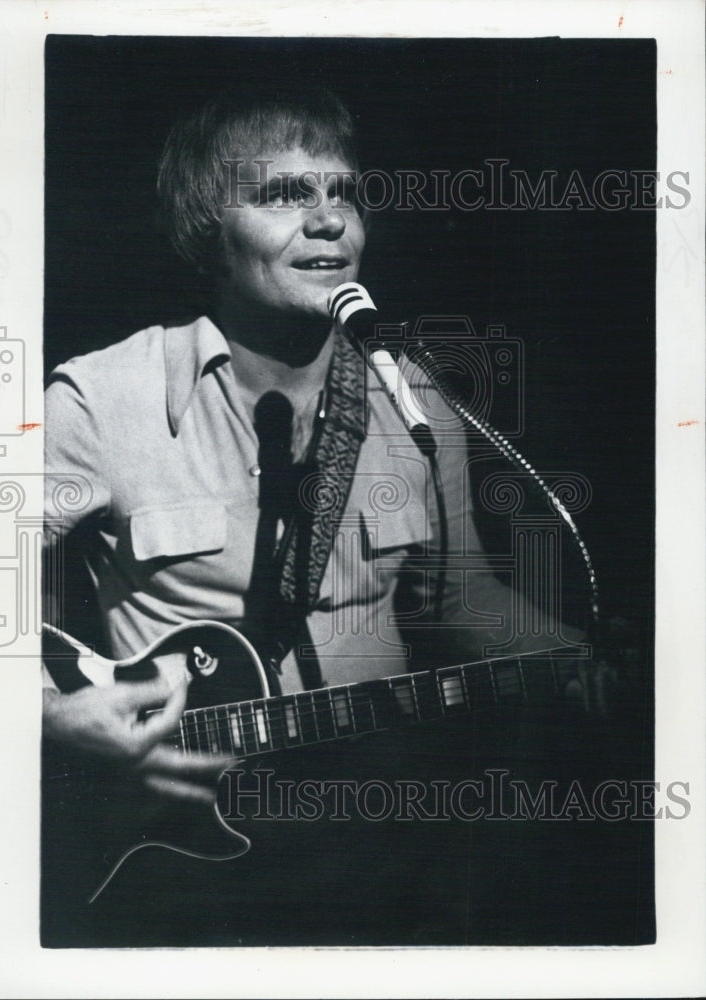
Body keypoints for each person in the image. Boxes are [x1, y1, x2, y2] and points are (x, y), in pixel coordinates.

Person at [41, 83, 589, 945]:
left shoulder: (412, 401)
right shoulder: (101, 401)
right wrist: (44, 714)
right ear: (206, 233)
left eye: (343, 193)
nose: (329, 220)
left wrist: (589, 661)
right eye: (283, 194)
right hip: (174, 856)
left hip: (384, 836)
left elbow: (465, 604)